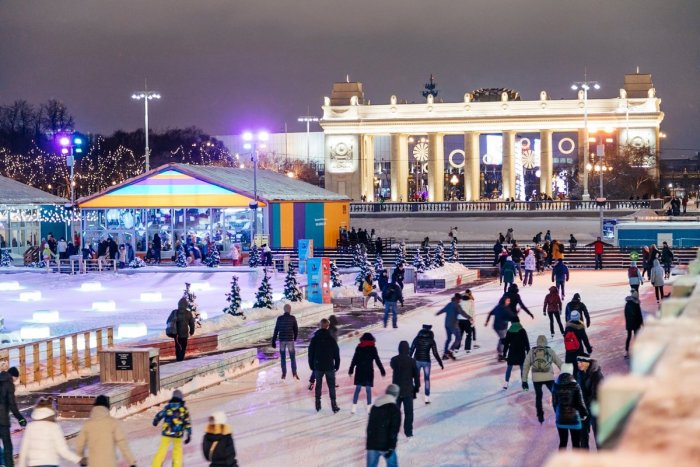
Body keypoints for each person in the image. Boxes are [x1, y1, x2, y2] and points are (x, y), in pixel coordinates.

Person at [18, 398, 83, 467]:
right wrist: (79, 460)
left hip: (35, 464)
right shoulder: (53, 426)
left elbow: (24, 449)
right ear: (50, 410)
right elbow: (63, 450)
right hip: (50, 463)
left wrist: (21, 465)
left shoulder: (30, 427)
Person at [74, 395, 136, 467]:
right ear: (107, 407)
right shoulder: (112, 423)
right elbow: (123, 444)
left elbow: (79, 443)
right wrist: (131, 462)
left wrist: (81, 458)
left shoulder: (88, 424)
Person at [523, 335, 563, 423]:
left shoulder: (532, 351)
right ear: (546, 342)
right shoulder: (549, 351)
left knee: (539, 396)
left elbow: (526, 365)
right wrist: (566, 373)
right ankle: (558, 413)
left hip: (536, 378)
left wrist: (524, 380)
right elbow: (559, 362)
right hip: (549, 377)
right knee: (555, 394)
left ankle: (540, 415)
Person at [552, 363, 588, 449]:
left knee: (563, 443)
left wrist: (558, 414)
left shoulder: (555, 385)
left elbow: (554, 403)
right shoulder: (575, 385)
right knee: (576, 444)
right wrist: (584, 413)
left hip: (560, 419)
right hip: (574, 419)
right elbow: (580, 402)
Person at [152, 389, 191, 467]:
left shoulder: (168, 407)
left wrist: (155, 421)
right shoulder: (183, 409)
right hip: (178, 434)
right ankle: (177, 465)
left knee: (162, 450)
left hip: (167, 432)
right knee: (177, 451)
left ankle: (156, 465)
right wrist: (189, 433)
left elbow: (160, 414)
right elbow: (187, 422)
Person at [308, 318, 341, 413]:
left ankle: (317, 404)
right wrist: (337, 365)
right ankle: (334, 405)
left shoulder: (315, 339)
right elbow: (336, 353)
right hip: (329, 366)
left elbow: (310, 353)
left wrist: (312, 365)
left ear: (320, 326)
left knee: (318, 385)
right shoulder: (331, 339)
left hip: (318, 366)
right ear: (328, 326)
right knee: (331, 386)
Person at [349, 333, 386, 414]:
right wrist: (382, 370)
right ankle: (369, 407)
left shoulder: (359, 347)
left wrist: (351, 369)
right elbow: (377, 360)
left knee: (358, 389)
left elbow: (354, 359)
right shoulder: (373, 348)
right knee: (368, 390)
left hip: (360, 370)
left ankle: (353, 407)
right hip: (368, 371)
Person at [366, 384, 401, 467]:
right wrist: (391, 447)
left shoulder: (375, 406)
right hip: (386, 446)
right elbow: (394, 430)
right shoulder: (394, 409)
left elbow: (369, 427)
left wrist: (370, 443)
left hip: (372, 444)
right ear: (396, 394)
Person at [390, 341, 419, 438]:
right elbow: (416, 376)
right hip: (408, 390)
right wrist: (417, 387)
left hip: (396, 390)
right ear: (407, 349)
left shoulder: (394, 360)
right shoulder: (412, 361)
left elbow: (392, 366)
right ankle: (408, 432)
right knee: (409, 412)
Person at [410, 324, 444, 404]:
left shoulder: (416, 338)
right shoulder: (431, 340)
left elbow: (411, 350)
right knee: (427, 379)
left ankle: (414, 391)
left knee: (415, 377)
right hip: (426, 362)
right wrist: (440, 362)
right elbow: (435, 353)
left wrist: (407, 360)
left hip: (416, 360)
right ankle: (427, 398)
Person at [576, 355, 604, 449]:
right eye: (578, 362)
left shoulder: (597, 375)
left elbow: (596, 395)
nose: (579, 364)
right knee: (582, 434)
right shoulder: (579, 374)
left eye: (581, 362)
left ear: (588, 362)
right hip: (584, 408)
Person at [0, 367, 27, 467]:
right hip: (2, 421)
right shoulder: (9, 384)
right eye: (15, 379)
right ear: (13, 376)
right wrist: (20, 418)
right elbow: (12, 405)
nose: (15, 381)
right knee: (7, 446)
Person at [435, 293, 469, 359]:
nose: (460, 300)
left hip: (446, 324)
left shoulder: (449, 304)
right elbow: (462, 312)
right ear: (457, 299)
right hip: (453, 325)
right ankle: (450, 351)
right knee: (458, 338)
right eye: (460, 299)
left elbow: (443, 310)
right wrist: (469, 317)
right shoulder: (457, 305)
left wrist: (438, 313)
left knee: (449, 339)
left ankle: (445, 354)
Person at [272, 303, 299, 380]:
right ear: (290, 310)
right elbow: (296, 329)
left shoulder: (279, 318)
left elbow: (276, 330)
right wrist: (295, 338)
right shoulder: (292, 318)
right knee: (292, 357)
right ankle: (294, 373)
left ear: (284, 310)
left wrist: (273, 340)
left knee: (283, 358)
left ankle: (284, 374)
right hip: (290, 340)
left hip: (282, 340)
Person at [485, 296, 515, 361]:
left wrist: (487, 322)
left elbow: (490, 313)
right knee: (503, 339)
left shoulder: (498, 307)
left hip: (496, 326)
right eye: (508, 301)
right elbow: (512, 317)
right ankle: (500, 355)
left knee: (502, 339)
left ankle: (500, 352)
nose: (509, 302)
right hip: (501, 327)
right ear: (504, 301)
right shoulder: (505, 308)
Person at [501, 322, 530, 390]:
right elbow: (526, 342)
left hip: (512, 352)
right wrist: (528, 352)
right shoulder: (522, 330)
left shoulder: (510, 331)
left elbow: (506, 343)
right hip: (521, 352)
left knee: (509, 368)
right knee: (522, 368)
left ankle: (506, 383)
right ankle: (524, 383)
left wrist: (504, 353)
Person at [173, 297, 195, 362]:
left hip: (176, 334)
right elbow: (192, 324)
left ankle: (178, 359)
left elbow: (168, 321)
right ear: (186, 305)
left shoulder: (175, 312)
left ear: (179, 304)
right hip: (185, 334)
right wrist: (191, 332)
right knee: (183, 347)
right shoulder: (188, 313)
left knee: (177, 346)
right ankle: (181, 359)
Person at [624, 291, 643, 359]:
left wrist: (627, 322)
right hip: (636, 323)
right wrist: (641, 323)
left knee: (628, 337)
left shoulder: (627, 304)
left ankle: (626, 352)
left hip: (629, 323)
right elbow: (639, 315)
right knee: (636, 337)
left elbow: (626, 314)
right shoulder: (636, 304)